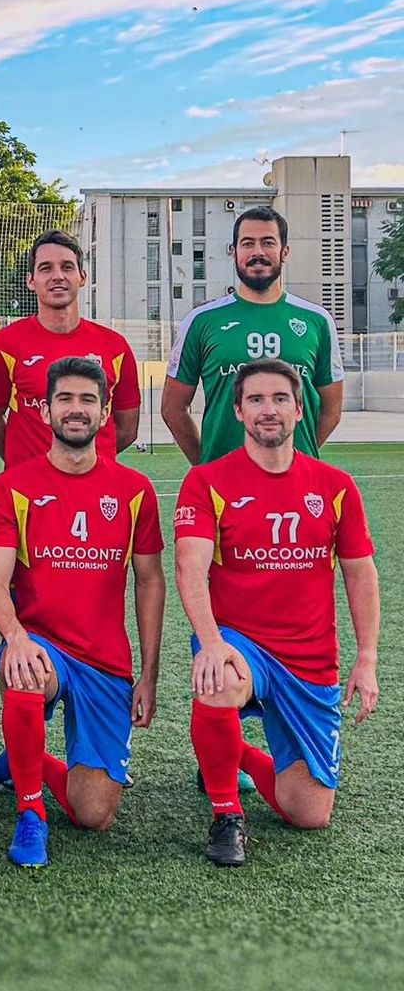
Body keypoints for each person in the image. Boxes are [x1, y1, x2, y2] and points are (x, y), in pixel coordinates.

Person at [174, 358, 379, 867]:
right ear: (239, 411)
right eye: (257, 400)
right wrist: (212, 641)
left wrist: (367, 657)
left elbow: (360, 572)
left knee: (309, 814)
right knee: (219, 679)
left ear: (299, 408)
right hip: (239, 640)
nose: (270, 410)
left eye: (280, 399)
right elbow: (189, 568)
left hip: (310, 659)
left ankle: (228, 751)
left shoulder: (335, 486)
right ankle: (227, 812)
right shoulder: (207, 482)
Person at [0, 357, 165, 867]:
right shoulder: (15, 485)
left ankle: (23, 762)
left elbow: (149, 581)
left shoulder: (134, 491)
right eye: (65, 399)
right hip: (42, 645)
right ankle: (31, 811)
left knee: (93, 814)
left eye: (87, 400)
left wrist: (147, 674)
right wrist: (15, 636)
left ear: (106, 412)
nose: (76, 410)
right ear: (44, 410)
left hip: (105, 660)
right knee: (26, 676)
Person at [162, 206, 344, 466]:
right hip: (223, 484)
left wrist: (296, 458)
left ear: (285, 252)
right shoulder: (202, 320)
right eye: (248, 243)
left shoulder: (316, 320)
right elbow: (172, 408)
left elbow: (331, 410)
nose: (257, 252)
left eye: (268, 242)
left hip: (296, 482)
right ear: (233, 252)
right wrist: (208, 465)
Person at [0, 230, 140, 466]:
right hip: (30, 487)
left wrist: (81, 461)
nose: (58, 276)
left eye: (67, 267)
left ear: (82, 277)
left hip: (95, 488)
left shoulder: (115, 347)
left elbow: (127, 428)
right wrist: (24, 463)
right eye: (46, 268)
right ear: (31, 281)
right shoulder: (4, 344)